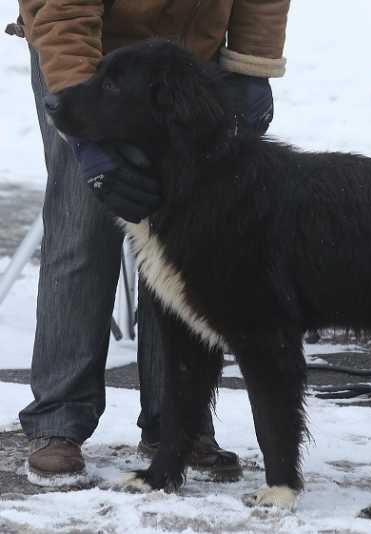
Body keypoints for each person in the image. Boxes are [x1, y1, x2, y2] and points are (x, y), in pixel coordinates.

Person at [5, 0, 291, 484]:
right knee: (83, 232)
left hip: (184, 62)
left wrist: (251, 67)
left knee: (187, 242)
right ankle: (58, 421)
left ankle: (178, 425)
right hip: (84, 54)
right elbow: (63, 14)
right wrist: (87, 142)